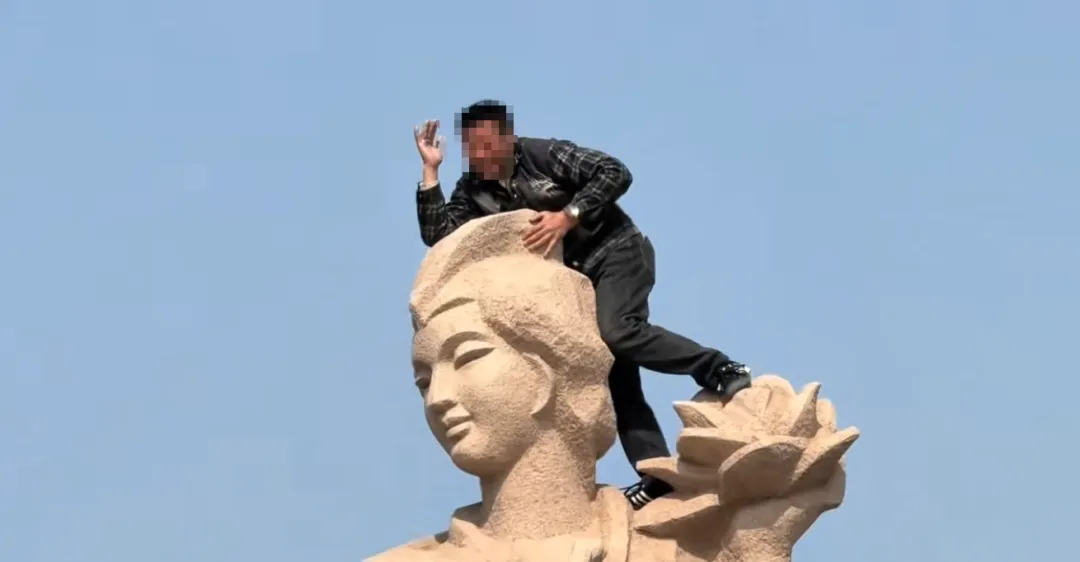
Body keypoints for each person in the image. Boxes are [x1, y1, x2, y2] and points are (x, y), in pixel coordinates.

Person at [411, 99, 752, 509]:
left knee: (619, 332)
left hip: (616, 253)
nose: (479, 156)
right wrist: (431, 170)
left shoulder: (543, 155)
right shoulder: (472, 188)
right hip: (578, 282)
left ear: (506, 137)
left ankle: (719, 368)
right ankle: (657, 474)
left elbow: (614, 172)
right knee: (611, 373)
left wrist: (568, 215)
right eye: (471, 149)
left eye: (486, 145)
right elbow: (442, 237)